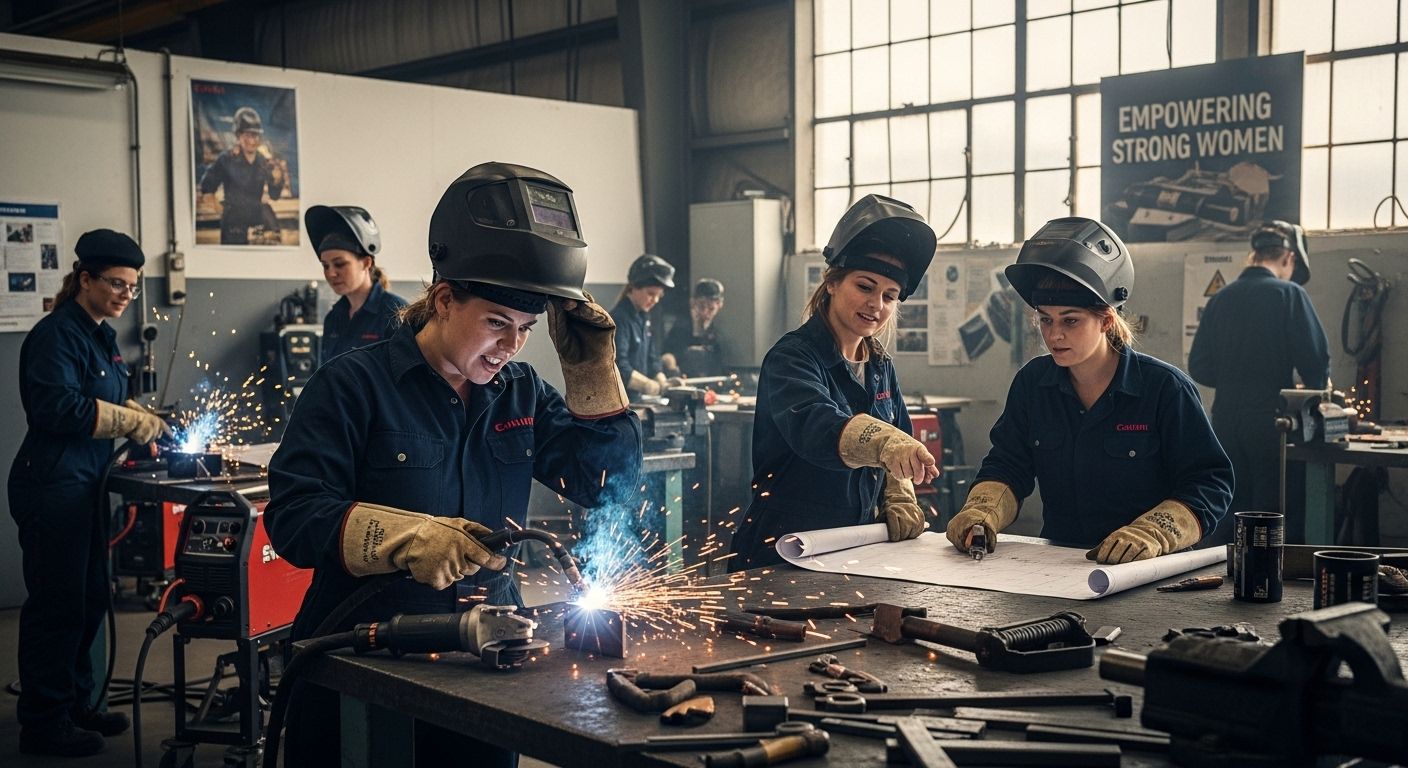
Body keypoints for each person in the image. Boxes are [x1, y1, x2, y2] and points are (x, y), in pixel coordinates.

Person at [265, 162, 641, 767]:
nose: (512, 345)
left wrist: (593, 375)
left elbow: (604, 485)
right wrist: (404, 536)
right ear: (443, 300)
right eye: (496, 323)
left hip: (488, 656)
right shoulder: (352, 386)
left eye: (523, 328)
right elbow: (293, 516)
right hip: (367, 654)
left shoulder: (520, 392)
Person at [946, 217, 1233, 564]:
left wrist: (1153, 533)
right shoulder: (1032, 384)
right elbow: (1008, 466)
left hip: (1149, 572)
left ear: (1106, 320)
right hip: (1059, 568)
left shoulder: (1165, 389)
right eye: (1045, 319)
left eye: (1070, 321)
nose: (1054, 335)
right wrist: (983, 511)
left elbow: (1209, 483)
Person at [9, 230, 169, 757]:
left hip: (84, 488)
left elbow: (113, 397)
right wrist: (125, 419)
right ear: (85, 279)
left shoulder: (100, 335)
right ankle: (44, 719)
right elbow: (56, 409)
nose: (126, 294)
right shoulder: (57, 335)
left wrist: (142, 416)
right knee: (57, 605)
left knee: (91, 600)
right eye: (117, 284)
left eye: (132, 286)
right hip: (52, 486)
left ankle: (78, 702)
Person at [728, 195, 939, 571]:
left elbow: (899, 435)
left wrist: (898, 492)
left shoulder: (880, 366)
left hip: (854, 545)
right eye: (864, 286)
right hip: (784, 548)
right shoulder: (792, 357)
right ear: (832, 283)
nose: (876, 304)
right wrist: (884, 442)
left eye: (889, 296)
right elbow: (817, 427)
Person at [1188, 220, 1329, 542]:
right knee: (1274, 513)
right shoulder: (1289, 294)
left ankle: (1221, 578)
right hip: (1271, 424)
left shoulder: (1220, 298)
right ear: (1289, 258)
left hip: (1224, 422)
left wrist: (1234, 379)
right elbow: (1316, 363)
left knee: (1229, 508)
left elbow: (1199, 366)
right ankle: (1272, 581)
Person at [304, 205, 408, 363]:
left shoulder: (395, 313)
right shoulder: (333, 319)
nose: (331, 273)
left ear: (366, 263)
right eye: (325, 266)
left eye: (340, 264)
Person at [197, 106, 288, 245]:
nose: (252, 140)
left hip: (257, 220)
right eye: (247, 135)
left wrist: (277, 179)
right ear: (238, 136)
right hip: (234, 222)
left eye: (255, 135)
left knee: (271, 245)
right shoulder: (226, 159)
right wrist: (219, 208)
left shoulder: (264, 161)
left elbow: (274, 195)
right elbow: (207, 187)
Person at [611, 253, 676, 400]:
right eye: (651, 294)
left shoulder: (643, 318)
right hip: (622, 401)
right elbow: (618, 365)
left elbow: (652, 356)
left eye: (659, 295)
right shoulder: (619, 319)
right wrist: (646, 385)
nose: (655, 300)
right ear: (633, 288)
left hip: (638, 399)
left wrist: (661, 378)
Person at [663, 277, 728, 378]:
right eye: (701, 307)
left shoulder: (716, 332)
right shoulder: (680, 327)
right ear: (693, 302)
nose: (705, 312)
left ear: (719, 305)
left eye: (711, 309)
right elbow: (668, 354)